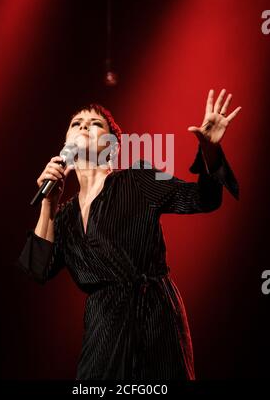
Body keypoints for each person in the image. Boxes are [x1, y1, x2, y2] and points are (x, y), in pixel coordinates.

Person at [18, 89, 241, 380]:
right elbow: (37, 268)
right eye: (77, 123)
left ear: (112, 145)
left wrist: (210, 150)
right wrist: (49, 203)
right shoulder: (64, 216)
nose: (84, 125)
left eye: (95, 123)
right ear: (65, 145)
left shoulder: (139, 178)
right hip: (103, 331)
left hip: (154, 320)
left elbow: (203, 199)